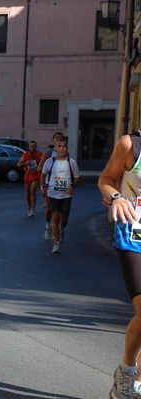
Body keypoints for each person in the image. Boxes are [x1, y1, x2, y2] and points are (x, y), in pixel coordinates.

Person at [99, 130, 141, 399]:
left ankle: (130, 376)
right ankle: (130, 375)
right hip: (134, 236)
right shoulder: (131, 145)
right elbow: (106, 179)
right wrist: (116, 197)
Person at [39, 138, 80, 254]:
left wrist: (72, 186)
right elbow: (42, 175)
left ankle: (62, 230)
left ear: (67, 148)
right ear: (55, 148)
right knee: (55, 218)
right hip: (52, 194)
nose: (62, 148)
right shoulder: (49, 162)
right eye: (60, 146)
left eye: (64, 146)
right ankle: (56, 244)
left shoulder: (71, 162)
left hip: (66, 195)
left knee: (64, 220)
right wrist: (43, 187)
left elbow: (77, 178)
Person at [38, 132, 66, 240]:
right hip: (49, 184)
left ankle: (59, 228)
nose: (59, 139)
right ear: (53, 140)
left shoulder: (66, 154)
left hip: (61, 184)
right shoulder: (48, 154)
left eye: (61, 138)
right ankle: (47, 227)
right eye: (57, 138)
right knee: (50, 208)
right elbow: (39, 169)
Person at [17, 140, 43, 217]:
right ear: (29, 147)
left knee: (32, 191)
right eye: (31, 146)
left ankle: (32, 208)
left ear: (36, 147)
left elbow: (44, 163)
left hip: (36, 175)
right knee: (28, 193)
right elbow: (18, 164)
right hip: (28, 175)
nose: (32, 148)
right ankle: (29, 207)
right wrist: (25, 163)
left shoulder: (40, 154)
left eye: (34, 146)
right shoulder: (25, 155)